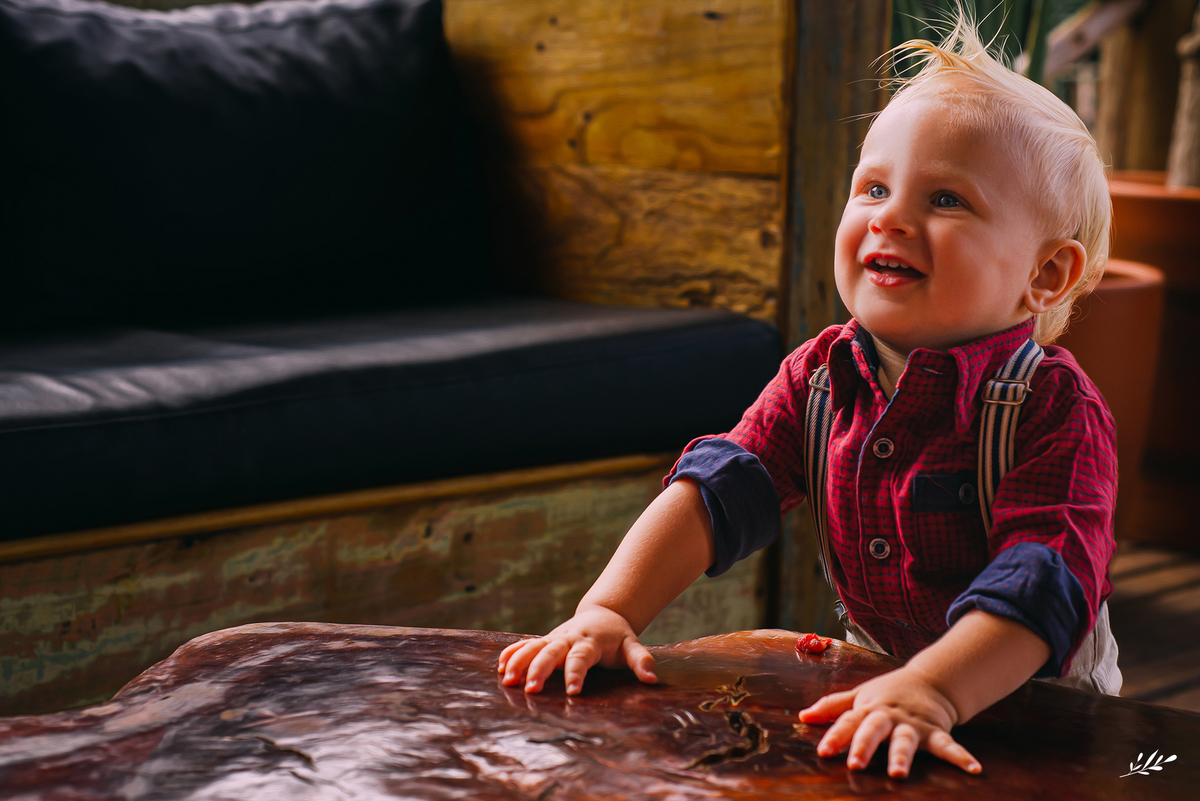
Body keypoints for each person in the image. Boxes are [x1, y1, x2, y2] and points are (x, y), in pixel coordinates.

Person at [497, 10, 1120, 781]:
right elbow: (715, 493)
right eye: (874, 187)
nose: (890, 216)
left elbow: (1042, 579)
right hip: (883, 690)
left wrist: (933, 688)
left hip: (1036, 717)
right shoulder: (822, 375)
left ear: (1045, 274)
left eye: (946, 200)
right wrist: (608, 610)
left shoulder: (1053, 409)